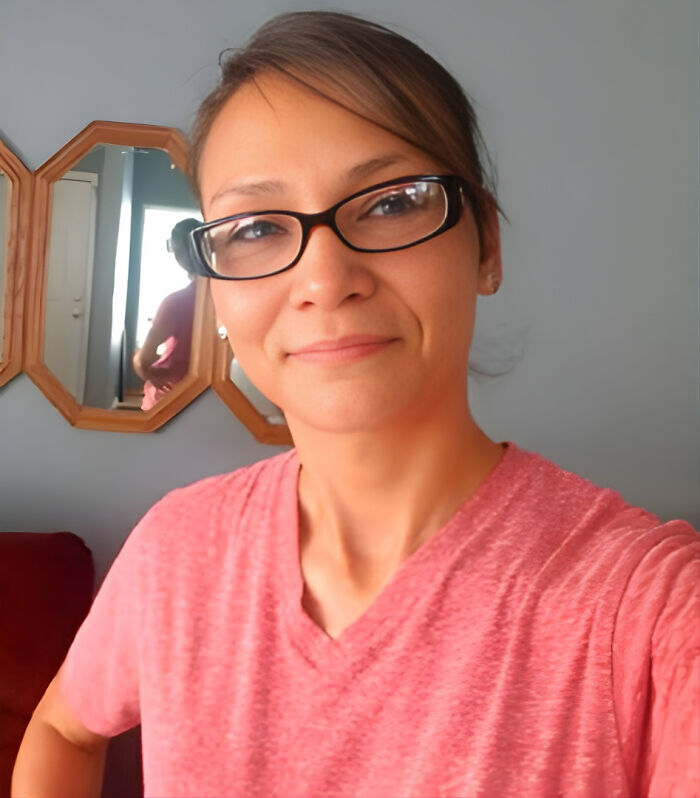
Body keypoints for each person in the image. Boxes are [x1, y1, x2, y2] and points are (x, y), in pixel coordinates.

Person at [12, 11, 699, 798]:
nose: (325, 277)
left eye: (392, 202)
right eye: (258, 227)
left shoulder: (646, 609)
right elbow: (64, 727)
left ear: (486, 248)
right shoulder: (177, 550)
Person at [131, 218, 199, 410]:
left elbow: (144, 362)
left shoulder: (176, 302)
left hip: (170, 400)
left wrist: (136, 360)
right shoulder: (227, 299)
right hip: (209, 399)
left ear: (178, 255)